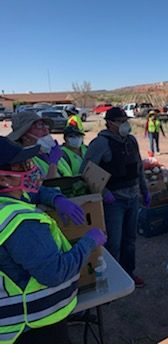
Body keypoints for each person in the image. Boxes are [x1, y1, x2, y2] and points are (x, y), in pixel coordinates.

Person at [0, 136, 106, 344]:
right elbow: (55, 273)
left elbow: (36, 193)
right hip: (33, 328)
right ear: (3, 179)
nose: (30, 169)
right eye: (22, 166)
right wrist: (89, 241)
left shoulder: (9, 198)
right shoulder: (20, 222)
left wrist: (56, 199)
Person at [81, 107, 149, 287]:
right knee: (113, 243)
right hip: (114, 202)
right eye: (120, 121)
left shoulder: (131, 141)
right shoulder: (100, 144)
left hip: (132, 197)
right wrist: (104, 192)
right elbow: (85, 170)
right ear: (110, 123)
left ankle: (128, 273)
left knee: (130, 240)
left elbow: (139, 166)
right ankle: (111, 278)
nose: (125, 124)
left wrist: (144, 189)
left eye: (125, 120)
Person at [8, 112, 73, 179]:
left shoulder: (53, 153)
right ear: (25, 135)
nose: (46, 130)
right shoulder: (20, 162)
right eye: (39, 125)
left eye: (45, 125)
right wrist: (53, 164)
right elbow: (41, 188)